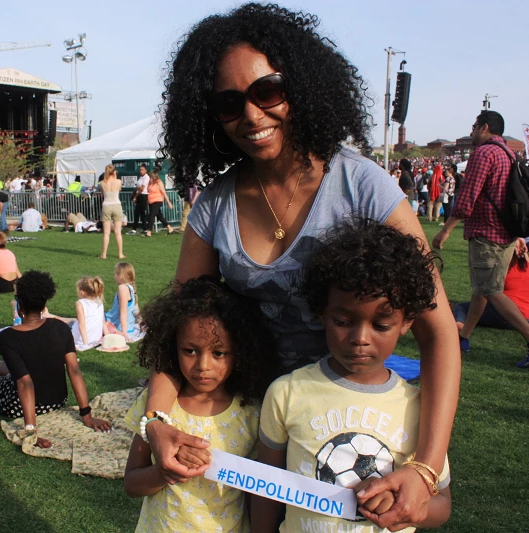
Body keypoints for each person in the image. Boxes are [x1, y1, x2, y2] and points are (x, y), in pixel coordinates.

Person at [147, 6, 460, 529]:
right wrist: (156, 423)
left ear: (301, 85)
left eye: (267, 91)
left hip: (350, 420)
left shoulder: (363, 187)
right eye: (228, 103)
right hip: (254, 426)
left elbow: (438, 330)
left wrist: (426, 469)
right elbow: (175, 330)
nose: (251, 115)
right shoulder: (214, 207)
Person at [252, 220, 451, 532]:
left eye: (381, 325)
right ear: (322, 313)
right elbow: (266, 489)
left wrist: (403, 503)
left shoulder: (420, 407)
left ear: (407, 321)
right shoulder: (286, 393)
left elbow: (442, 506)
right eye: (343, 320)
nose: (360, 337)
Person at [124, 277, 277, 532]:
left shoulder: (253, 413)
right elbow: (132, 484)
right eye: (190, 351)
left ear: (241, 352)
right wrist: (165, 471)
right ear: (173, 346)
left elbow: (257, 493)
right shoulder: (159, 410)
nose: (202, 366)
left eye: (219, 353)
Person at [433, 111, 529, 366]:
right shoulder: (509, 153)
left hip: (487, 233)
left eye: (475, 126)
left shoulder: (484, 153)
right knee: (482, 290)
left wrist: (446, 229)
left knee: (490, 289)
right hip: (506, 233)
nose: (472, 130)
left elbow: (467, 197)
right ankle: (464, 336)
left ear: (485, 127)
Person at [0, 271, 111, 448]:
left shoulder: (8, 337)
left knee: (8, 376)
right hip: (57, 400)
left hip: (20, 403)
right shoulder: (60, 328)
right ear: (44, 304)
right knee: (10, 368)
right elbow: (74, 370)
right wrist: (86, 415)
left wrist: (31, 430)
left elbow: (25, 384)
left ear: (19, 305)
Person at [453, 242, 529, 331]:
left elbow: (484, 295)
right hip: (526, 317)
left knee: (462, 307)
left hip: (507, 315)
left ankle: (460, 323)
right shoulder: (526, 266)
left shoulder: (501, 269)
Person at [47, 277, 106, 351]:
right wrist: (107, 337)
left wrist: (85, 344)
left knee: (59, 326)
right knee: (74, 321)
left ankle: (50, 317)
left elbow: (82, 326)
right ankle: (50, 315)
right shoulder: (99, 301)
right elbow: (103, 322)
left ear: (82, 292)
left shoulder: (80, 303)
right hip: (96, 338)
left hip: (80, 339)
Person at [105, 262, 141, 342]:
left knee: (90, 319)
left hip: (115, 325)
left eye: (115, 274)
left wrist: (124, 334)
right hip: (129, 328)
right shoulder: (131, 288)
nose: (114, 277)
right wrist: (141, 324)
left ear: (120, 275)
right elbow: (136, 310)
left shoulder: (123, 288)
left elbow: (123, 313)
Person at [99, 164, 125, 259]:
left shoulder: (102, 182)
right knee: (118, 232)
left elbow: (102, 192)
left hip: (106, 206)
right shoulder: (118, 181)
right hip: (117, 205)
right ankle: (120, 254)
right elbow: (119, 189)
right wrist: (115, 176)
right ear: (114, 172)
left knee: (106, 233)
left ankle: (104, 254)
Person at [143, 171, 175, 238]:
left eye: (151, 177)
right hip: (151, 202)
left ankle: (149, 231)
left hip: (157, 201)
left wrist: (168, 202)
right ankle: (169, 228)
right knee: (159, 216)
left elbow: (164, 192)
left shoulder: (159, 182)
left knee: (151, 215)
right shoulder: (150, 183)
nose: (150, 179)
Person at [128, 165, 150, 234]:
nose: (141, 171)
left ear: (146, 170)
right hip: (139, 195)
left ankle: (144, 228)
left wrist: (135, 197)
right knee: (137, 212)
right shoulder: (141, 177)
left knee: (142, 213)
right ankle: (136, 228)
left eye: (142, 170)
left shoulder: (146, 178)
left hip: (143, 195)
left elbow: (141, 188)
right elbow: (138, 187)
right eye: (140, 170)